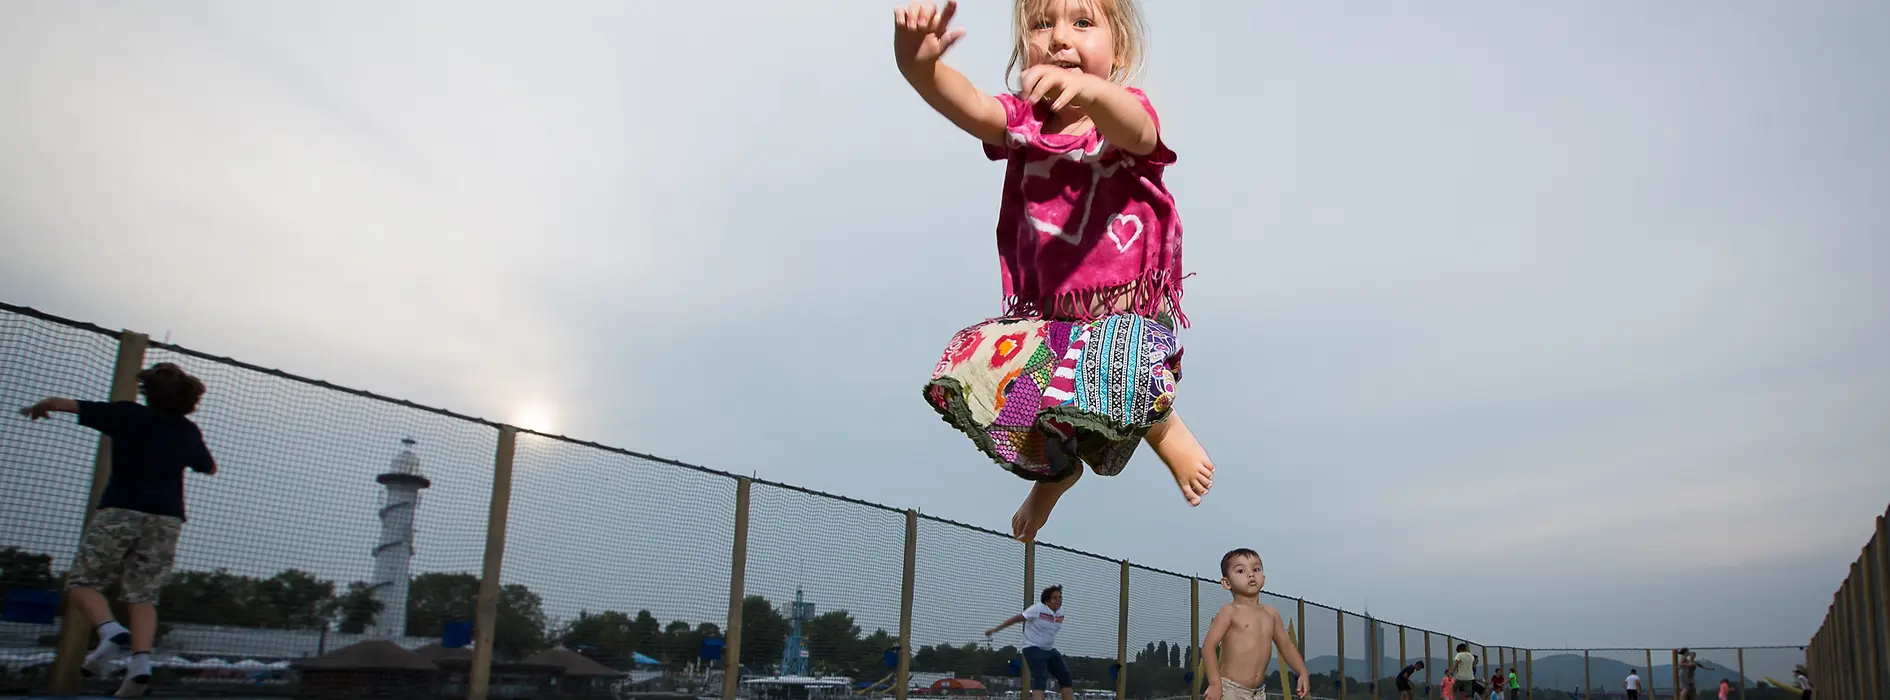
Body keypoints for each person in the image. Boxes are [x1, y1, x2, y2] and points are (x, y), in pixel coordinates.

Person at [895, 0, 1216, 542]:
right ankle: (1056, 474)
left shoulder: (1121, 112)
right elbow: (970, 104)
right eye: (1042, 25)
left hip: (1127, 310)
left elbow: (1138, 130)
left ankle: (1164, 427)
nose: (1060, 38)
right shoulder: (1023, 122)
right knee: (1014, 403)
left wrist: (1094, 94)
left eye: (1082, 24)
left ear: (1119, 52)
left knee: (1113, 367)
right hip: (1052, 319)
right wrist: (918, 68)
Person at [19, 362, 216, 698]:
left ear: (148, 393)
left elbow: (62, 403)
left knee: (83, 583)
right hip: (167, 519)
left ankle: (109, 631)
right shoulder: (187, 430)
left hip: (122, 510)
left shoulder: (128, 415)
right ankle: (140, 666)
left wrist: (41, 406)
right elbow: (207, 467)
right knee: (143, 596)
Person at [1200, 549, 1309, 700]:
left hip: (1258, 693)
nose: (1250, 574)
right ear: (1226, 583)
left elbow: (1286, 646)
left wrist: (1302, 672)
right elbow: (1208, 647)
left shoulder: (1271, 614)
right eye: (1240, 570)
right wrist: (1214, 683)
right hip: (1230, 690)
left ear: (1263, 577)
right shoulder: (1229, 611)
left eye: (1256, 569)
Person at [988, 586, 1072, 700]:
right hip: (1032, 648)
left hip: (1048, 649)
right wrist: (996, 629)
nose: (1058, 600)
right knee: (1041, 675)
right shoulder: (1038, 609)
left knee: (1065, 675)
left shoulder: (1060, 613)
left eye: (1060, 597)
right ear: (1047, 601)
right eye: (1054, 598)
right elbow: (1017, 618)